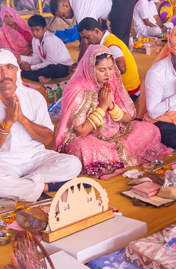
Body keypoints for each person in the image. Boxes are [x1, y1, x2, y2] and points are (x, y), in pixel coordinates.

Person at [0, 49, 82, 199]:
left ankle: (18, 187)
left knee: (73, 163)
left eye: (9, 67)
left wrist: (22, 119)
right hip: (0, 162)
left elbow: (47, 138)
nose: (5, 74)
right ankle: (45, 187)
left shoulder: (34, 97)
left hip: (36, 157)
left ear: (17, 70)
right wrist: (7, 122)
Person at [55, 45, 168, 177]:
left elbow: (128, 117)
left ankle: (115, 157)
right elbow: (81, 131)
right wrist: (102, 107)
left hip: (115, 131)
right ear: (90, 68)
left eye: (110, 68)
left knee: (150, 129)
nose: (108, 74)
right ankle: (117, 157)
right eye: (102, 70)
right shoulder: (78, 89)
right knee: (80, 148)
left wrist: (111, 107)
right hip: (89, 137)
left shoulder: (110, 81)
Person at [50, 0, 137, 48]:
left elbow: (87, 37)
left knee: (119, 38)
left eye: (63, 15)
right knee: (113, 39)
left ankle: (121, 59)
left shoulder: (79, 5)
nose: (64, 18)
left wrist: (81, 59)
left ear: (65, 6)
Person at [76, 16, 139, 96]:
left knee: (87, 97)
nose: (86, 41)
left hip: (129, 92)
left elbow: (122, 68)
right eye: (83, 38)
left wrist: (98, 73)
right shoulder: (105, 40)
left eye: (87, 37)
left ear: (96, 31)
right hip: (126, 88)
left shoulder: (111, 44)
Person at [20, 13, 73, 81]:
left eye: (37, 30)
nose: (34, 33)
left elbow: (51, 62)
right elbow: (37, 59)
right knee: (22, 70)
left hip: (63, 67)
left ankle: (40, 76)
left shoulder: (50, 40)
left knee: (50, 69)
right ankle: (41, 78)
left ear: (44, 29)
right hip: (46, 64)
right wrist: (21, 59)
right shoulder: (35, 39)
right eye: (32, 30)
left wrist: (31, 67)